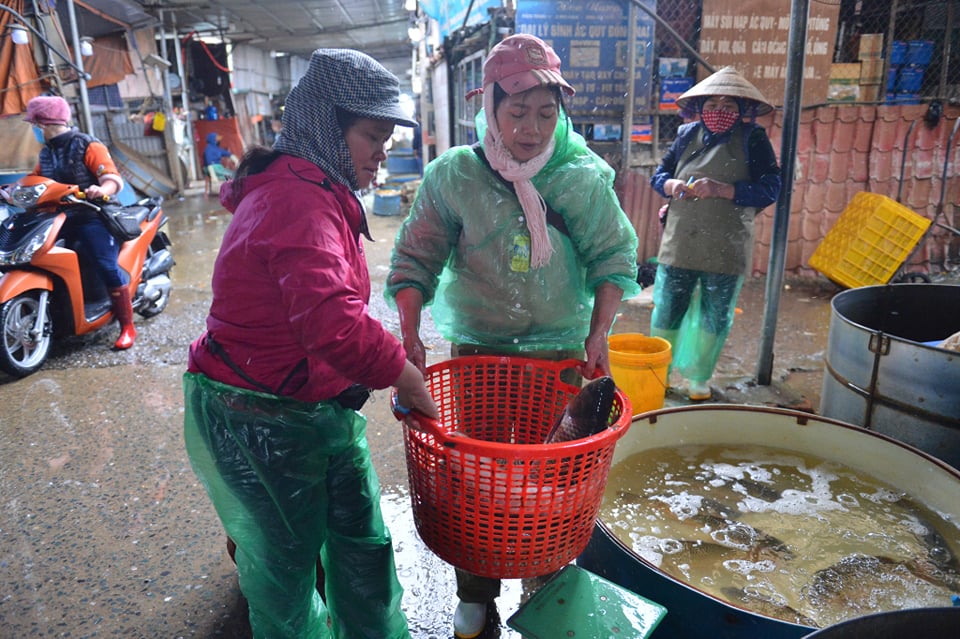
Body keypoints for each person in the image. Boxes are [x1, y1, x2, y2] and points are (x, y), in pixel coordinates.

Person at [385, 33, 640, 639]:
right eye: (517, 111)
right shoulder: (455, 175)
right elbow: (413, 260)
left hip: (560, 356)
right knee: (474, 478)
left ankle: (543, 582)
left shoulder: (578, 176)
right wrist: (410, 333)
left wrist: (599, 332)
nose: (531, 127)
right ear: (490, 108)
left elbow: (614, 257)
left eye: (546, 114)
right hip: (478, 353)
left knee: (554, 482)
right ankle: (476, 594)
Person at [182, 48, 439, 639]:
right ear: (328, 127)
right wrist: (404, 374)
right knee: (286, 571)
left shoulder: (315, 189)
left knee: (362, 544)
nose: (382, 153)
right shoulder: (295, 200)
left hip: (314, 407)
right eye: (372, 136)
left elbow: (335, 311)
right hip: (261, 416)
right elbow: (332, 325)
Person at [649, 66, 782, 400]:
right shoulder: (685, 135)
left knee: (716, 312)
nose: (719, 112)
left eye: (729, 106)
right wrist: (671, 184)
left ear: (742, 111)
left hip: (727, 244)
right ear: (700, 107)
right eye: (712, 105)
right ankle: (658, 375)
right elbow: (659, 174)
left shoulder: (754, 138)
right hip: (682, 240)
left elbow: (771, 188)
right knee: (668, 308)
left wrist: (724, 190)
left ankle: (699, 378)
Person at [21, 95, 135, 350]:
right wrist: (12, 190)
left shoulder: (87, 145)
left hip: (92, 214)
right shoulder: (46, 153)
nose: (34, 130)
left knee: (105, 265)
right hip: (60, 216)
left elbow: (113, 178)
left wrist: (101, 188)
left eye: (34, 125)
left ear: (45, 123)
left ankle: (127, 326)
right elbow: (33, 180)